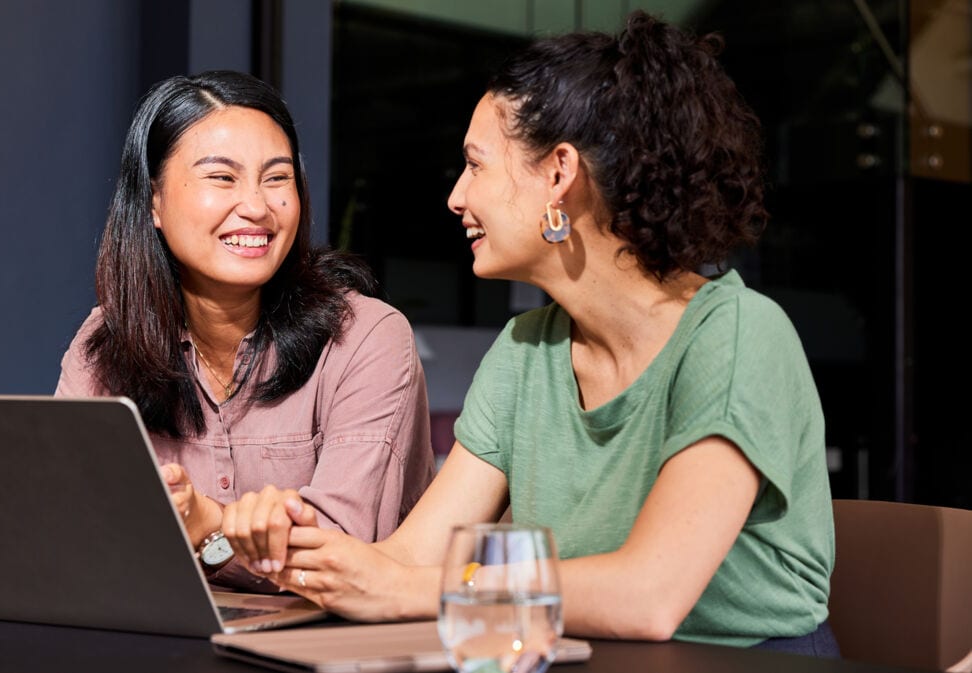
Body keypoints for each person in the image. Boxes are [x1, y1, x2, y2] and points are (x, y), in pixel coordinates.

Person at [221, 11, 838, 655]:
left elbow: (650, 597)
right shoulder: (525, 350)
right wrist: (287, 541)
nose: (456, 197)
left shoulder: (736, 335)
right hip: (575, 655)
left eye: (476, 165)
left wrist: (409, 590)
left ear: (559, 174)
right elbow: (406, 561)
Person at [55, 71, 436, 591]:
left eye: (277, 179)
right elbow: (67, 519)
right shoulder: (108, 337)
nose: (256, 207)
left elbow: (345, 552)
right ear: (153, 201)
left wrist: (205, 526)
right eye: (222, 177)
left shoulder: (365, 337)